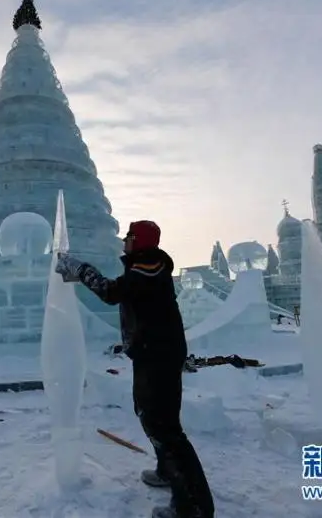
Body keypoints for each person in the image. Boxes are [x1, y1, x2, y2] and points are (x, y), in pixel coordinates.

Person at [56, 220, 214, 518]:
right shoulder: (146, 267)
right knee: (152, 416)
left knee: (164, 428)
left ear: (138, 242)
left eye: (128, 237)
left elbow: (110, 291)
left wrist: (80, 269)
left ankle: (192, 506)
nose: (123, 241)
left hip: (157, 357)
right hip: (152, 353)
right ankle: (168, 472)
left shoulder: (148, 269)